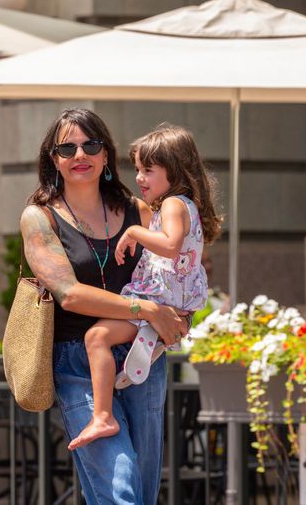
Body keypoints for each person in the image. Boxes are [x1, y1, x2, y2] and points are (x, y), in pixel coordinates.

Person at [20, 108, 191, 504]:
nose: (80, 154)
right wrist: (146, 309)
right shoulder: (39, 217)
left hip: (143, 353)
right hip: (78, 359)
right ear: (53, 158)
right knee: (120, 488)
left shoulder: (140, 210)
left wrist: (180, 313)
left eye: (90, 145)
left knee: (145, 489)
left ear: (106, 154)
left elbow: (171, 274)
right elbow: (69, 294)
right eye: (67, 147)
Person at [68, 124, 220, 450]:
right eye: (137, 169)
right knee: (106, 339)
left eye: (148, 170)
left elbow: (171, 244)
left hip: (160, 295)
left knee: (96, 337)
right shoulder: (184, 205)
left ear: (175, 170)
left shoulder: (172, 205)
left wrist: (135, 233)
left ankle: (102, 415)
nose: (139, 177)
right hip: (174, 295)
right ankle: (147, 345)